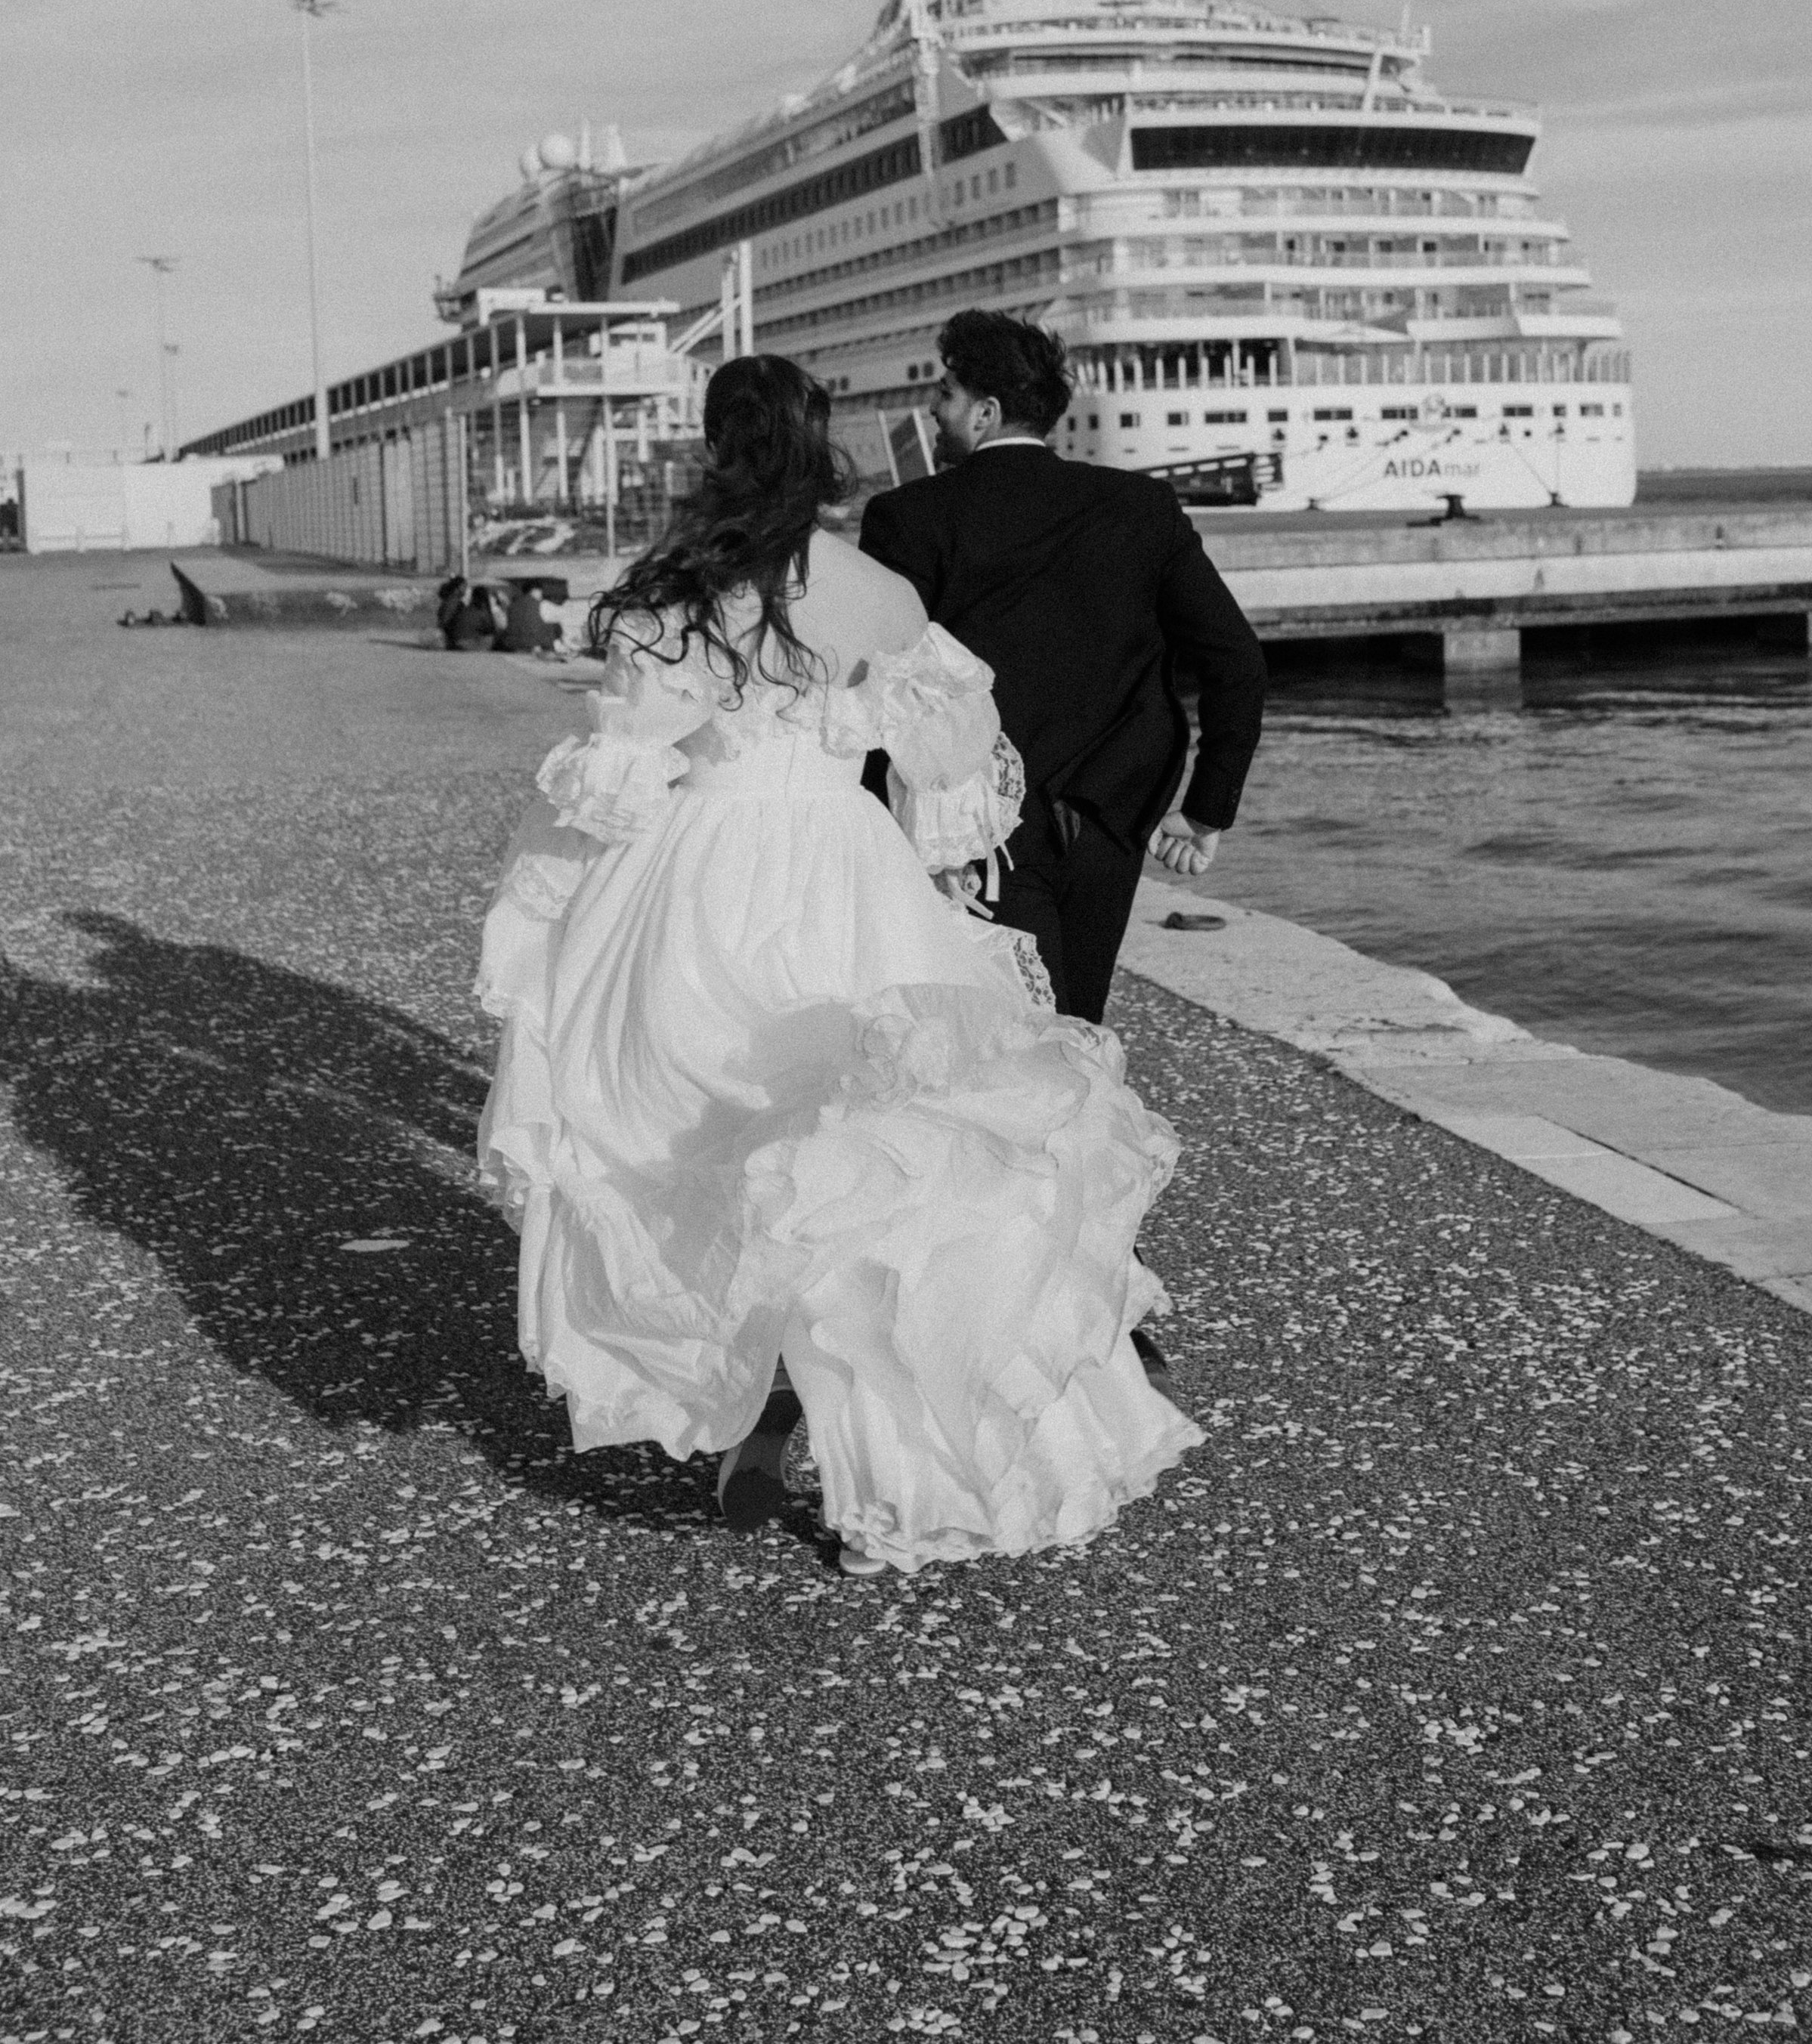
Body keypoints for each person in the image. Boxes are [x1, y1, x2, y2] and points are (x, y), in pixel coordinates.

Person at [475, 355, 1200, 1577]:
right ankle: (874, 1469)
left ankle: (751, 1421)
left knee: (692, 1153)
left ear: (715, 449)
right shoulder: (872, 590)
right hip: (842, 870)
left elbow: (615, 775)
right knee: (870, 1166)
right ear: (821, 452)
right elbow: (954, 755)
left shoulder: (674, 595)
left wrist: (547, 914)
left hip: (696, 881)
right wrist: (951, 875)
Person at [858, 310, 1266, 1026]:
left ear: (985, 413)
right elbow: (1236, 660)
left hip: (976, 829)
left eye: (946, 392)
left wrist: (884, 835)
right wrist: (1207, 807)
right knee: (1078, 1028)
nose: (933, 408)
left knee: (1015, 1037)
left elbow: (886, 688)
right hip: (1110, 817)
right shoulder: (1140, 506)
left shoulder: (906, 517)